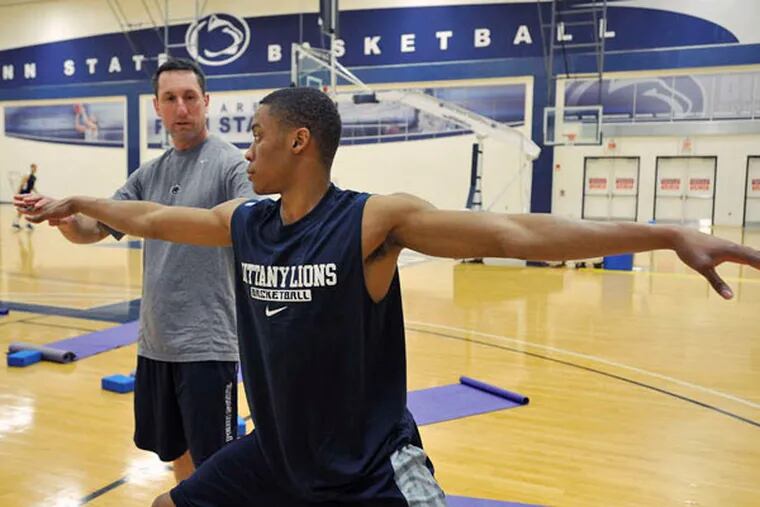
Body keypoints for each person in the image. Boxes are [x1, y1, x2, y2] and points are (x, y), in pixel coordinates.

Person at [16, 87, 760, 507]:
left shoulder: (371, 221)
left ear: (299, 142)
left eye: (260, 136)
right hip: (276, 454)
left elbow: (516, 233)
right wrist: (76, 202)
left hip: (368, 464)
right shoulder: (247, 223)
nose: (249, 150)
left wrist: (666, 233)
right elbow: (150, 218)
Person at [21, 58, 255, 484]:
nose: (181, 108)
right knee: (176, 453)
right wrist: (66, 220)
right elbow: (94, 229)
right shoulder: (150, 173)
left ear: (206, 102)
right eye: (171, 98)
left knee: (215, 466)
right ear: (156, 106)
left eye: (190, 97)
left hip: (208, 346)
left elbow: (246, 219)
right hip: (156, 343)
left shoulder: (231, 165)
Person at [12, 163, 38, 230]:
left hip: (28, 195)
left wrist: (37, 193)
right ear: (31, 168)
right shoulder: (27, 175)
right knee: (23, 210)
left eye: (36, 168)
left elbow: (32, 187)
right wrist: (17, 194)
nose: (35, 169)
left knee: (28, 209)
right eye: (34, 167)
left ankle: (26, 224)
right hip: (23, 194)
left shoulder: (34, 177)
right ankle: (16, 223)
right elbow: (21, 184)